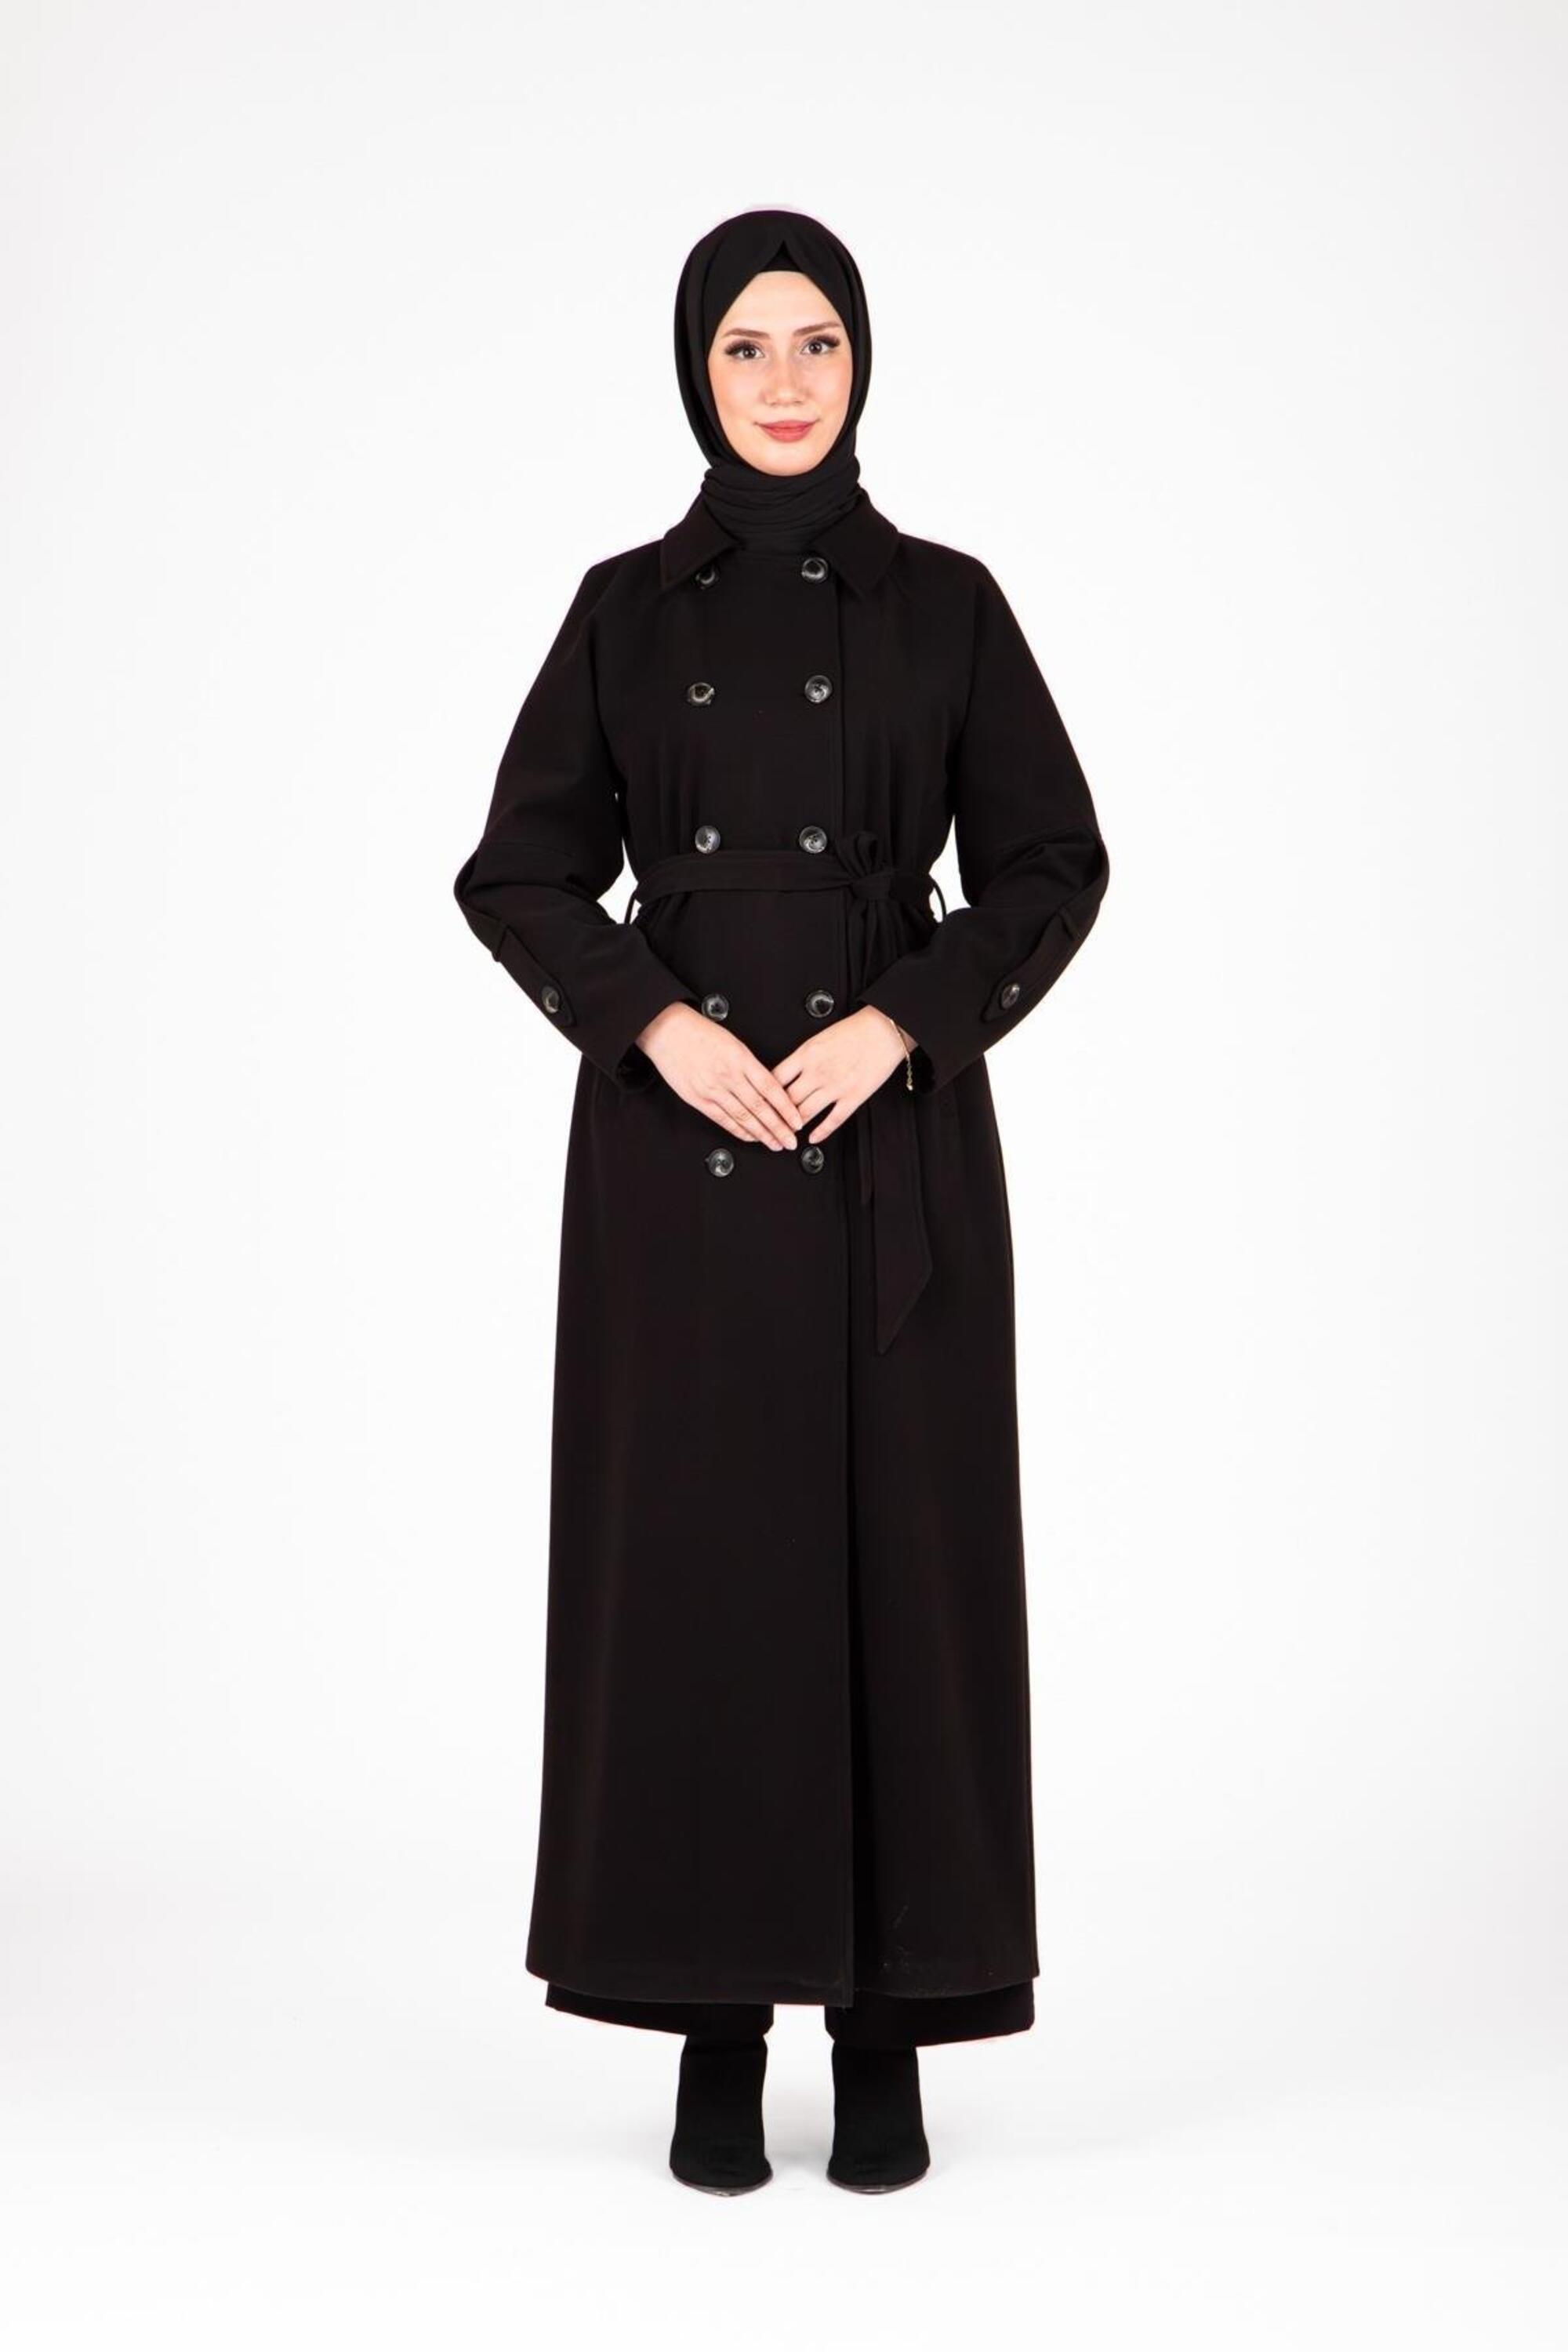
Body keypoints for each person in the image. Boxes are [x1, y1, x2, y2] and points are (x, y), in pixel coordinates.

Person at [452, 207, 1110, 2195]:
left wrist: (904, 1022)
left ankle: (893, 2024)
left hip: (894, 1155)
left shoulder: (946, 606)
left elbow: (1052, 863)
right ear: (693, 370)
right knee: (698, 1581)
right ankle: (714, 2027)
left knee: (909, 1570)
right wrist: (649, 1022)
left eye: (814, 339)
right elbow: (517, 869)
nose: (783, 379)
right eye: (744, 346)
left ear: (862, 358)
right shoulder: (622, 613)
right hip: (679, 1165)